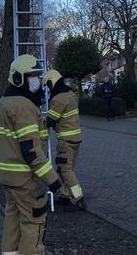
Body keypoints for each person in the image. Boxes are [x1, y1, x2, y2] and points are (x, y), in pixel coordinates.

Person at [0, 54, 61, 255]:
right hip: (26, 179)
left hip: (9, 177)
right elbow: (31, 151)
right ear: (19, 78)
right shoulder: (23, 106)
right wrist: (53, 181)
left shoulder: (4, 102)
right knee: (34, 222)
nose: (37, 80)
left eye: (38, 75)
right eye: (32, 75)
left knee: (12, 221)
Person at [44, 69, 86, 211]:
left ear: (53, 83)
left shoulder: (59, 99)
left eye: (49, 85)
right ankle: (67, 195)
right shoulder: (71, 94)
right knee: (68, 170)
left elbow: (50, 120)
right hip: (76, 138)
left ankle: (78, 199)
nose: (48, 88)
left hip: (66, 141)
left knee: (65, 170)